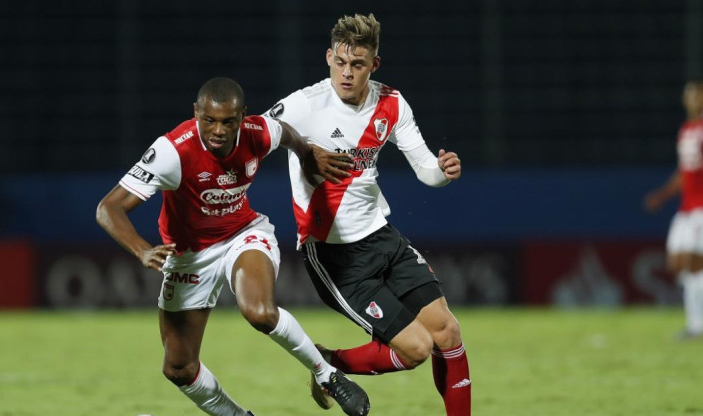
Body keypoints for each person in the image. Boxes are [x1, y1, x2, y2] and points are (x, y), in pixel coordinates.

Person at [96, 77, 370, 416]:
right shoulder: (173, 151)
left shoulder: (258, 132)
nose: (218, 130)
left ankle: (327, 374)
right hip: (188, 257)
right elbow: (108, 208)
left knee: (258, 311)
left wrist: (306, 153)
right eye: (209, 119)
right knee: (178, 367)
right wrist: (141, 249)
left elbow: (284, 132)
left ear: (243, 117)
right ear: (196, 112)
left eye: (228, 121)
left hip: (243, 234)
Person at [266, 13, 470, 416]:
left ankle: (325, 362)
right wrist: (303, 152)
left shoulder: (391, 104)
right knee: (415, 349)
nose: (347, 73)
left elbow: (426, 169)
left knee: (447, 331)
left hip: (382, 237)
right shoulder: (304, 105)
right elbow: (255, 135)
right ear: (328, 58)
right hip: (335, 256)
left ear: (373, 64)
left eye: (357, 64)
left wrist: (443, 174)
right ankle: (328, 366)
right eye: (340, 62)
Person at [644, 80, 703, 340]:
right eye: (688, 94)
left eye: (696, 94)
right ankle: (695, 323)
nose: (691, 98)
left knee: (694, 266)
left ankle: (696, 325)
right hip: (685, 208)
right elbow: (683, 172)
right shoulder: (686, 130)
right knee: (677, 264)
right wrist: (662, 194)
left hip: (702, 208)